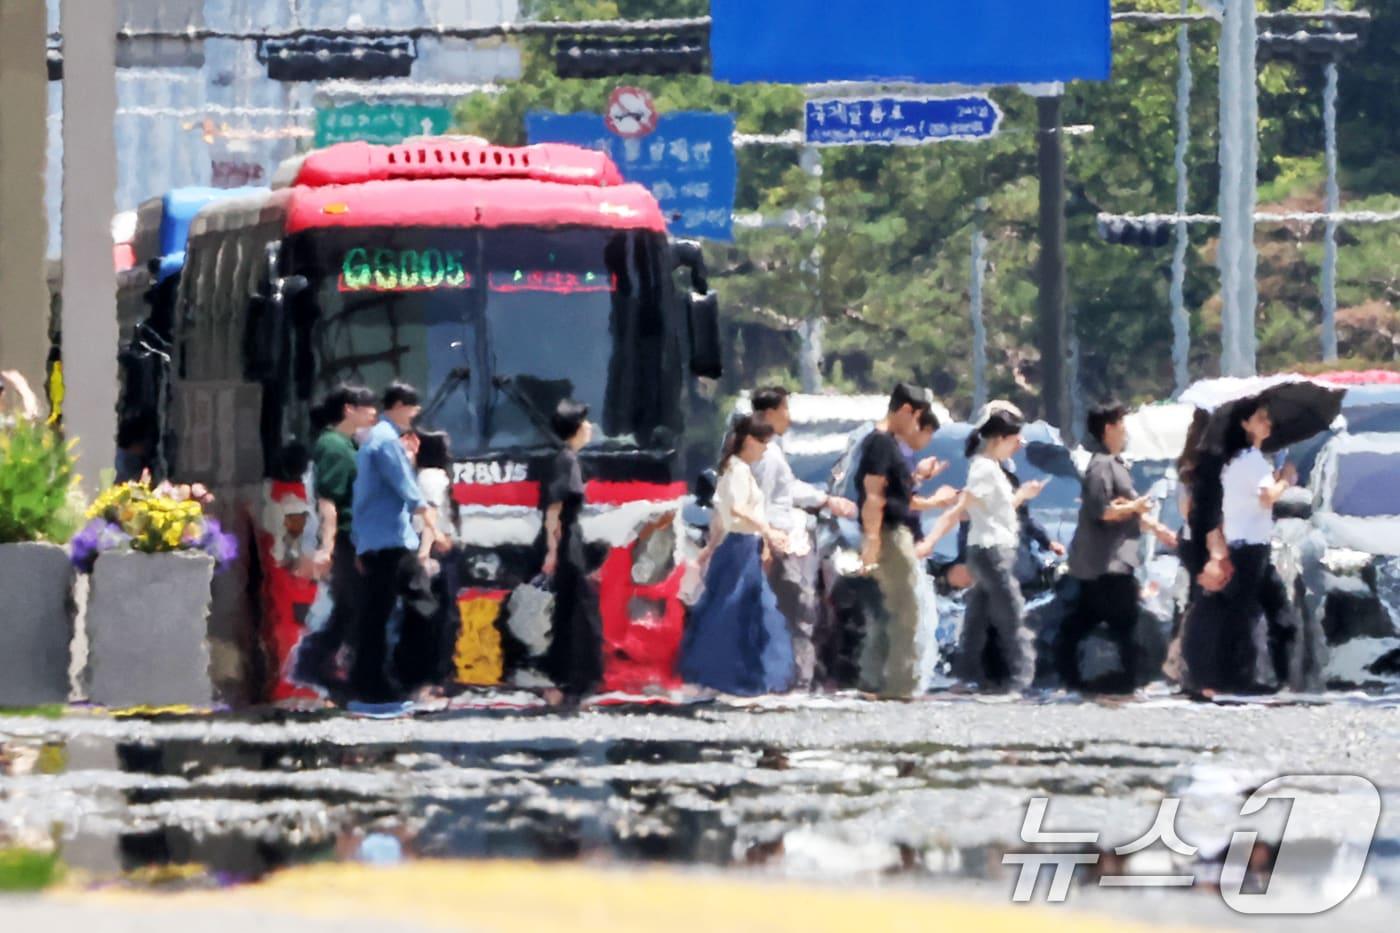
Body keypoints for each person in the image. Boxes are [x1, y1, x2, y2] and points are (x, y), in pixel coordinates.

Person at [1179, 399, 1298, 696]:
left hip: (1248, 546)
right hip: (1249, 549)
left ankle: (1271, 676)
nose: (1267, 424)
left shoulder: (1236, 461)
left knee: (1270, 613)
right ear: (1245, 424)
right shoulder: (1251, 459)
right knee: (1244, 615)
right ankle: (1243, 678)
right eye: (1260, 418)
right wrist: (1285, 479)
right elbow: (1267, 496)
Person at [1057, 402, 1177, 693]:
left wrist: (1159, 530)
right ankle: (1125, 683)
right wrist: (1135, 505)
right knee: (1125, 623)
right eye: (1121, 424)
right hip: (1106, 562)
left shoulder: (1115, 465)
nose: (1125, 431)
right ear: (1108, 428)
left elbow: (1127, 510)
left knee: (1084, 621)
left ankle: (1075, 677)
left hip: (1111, 561)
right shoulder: (1100, 466)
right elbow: (1103, 511)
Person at [855, 384, 963, 699]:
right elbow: (874, 495)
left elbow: (895, 492)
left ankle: (873, 681)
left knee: (890, 611)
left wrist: (917, 479)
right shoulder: (880, 443)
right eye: (916, 417)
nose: (917, 425)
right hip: (891, 533)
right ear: (905, 410)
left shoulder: (886, 446)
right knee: (908, 612)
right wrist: (872, 539)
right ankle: (900, 686)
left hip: (891, 531)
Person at [678, 415, 795, 696]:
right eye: (763, 443)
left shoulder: (732, 468)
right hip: (740, 547)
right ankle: (743, 677)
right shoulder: (738, 470)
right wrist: (768, 530)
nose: (765, 449)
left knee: (740, 610)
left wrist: (709, 549)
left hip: (737, 546)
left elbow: (721, 517)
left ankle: (744, 677)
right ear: (750, 441)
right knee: (739, 611)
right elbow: (739, 510)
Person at [750, 386, 857, 691]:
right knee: (800, 612)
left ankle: (790, 678)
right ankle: (797, 681)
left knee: (790, 612)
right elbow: (766, 502)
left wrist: (825, 500)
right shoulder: (767, 455)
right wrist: (769, 545)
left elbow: (789, 489)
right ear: (770, 413)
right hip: (778, 544)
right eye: (785, 410)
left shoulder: (768, 449)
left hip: (778, 541)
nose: (789, 417)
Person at [349, 382, 439, 708]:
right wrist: (435, 529)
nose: (416, 414)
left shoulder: (376, 439)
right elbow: (408, 489)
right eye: (413, 407)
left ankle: (375, 682)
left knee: (378, 613)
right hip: (390, 541)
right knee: (421, 606)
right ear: (399, 404)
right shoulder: (386, 441)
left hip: (379, 540)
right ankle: (405, 680)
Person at [291, 384, 378, 694]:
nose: (373, 413)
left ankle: (318, 666)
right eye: (367, 406)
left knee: (349, 606)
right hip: (346, 539)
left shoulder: (350, 445)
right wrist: (327, 547)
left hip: (358, 537)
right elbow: (329, 502)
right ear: (348, 410)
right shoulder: (334, 446)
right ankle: (314, 664)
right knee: (353, 606)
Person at [953, 403, 1043, 692]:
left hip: (990, 547)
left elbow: (996, 509)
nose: (1016, 447)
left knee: (977, 619)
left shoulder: (991, 467)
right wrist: (1022, 495)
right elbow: (971, 508)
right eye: (1014, 440)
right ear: (1000, 438)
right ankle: (1022, 679)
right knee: (1013, 615)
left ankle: (967, 674)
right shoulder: (984, 468)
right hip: (992, 549)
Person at [539, 400, 606, 705]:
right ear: (577, 428)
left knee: (573, 610)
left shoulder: (571, 459)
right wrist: (552, 551)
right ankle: (572, 681)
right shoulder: (564, 460)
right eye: (586, 422)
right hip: (566, 541)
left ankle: (569, 680)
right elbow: (553, 510)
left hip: (573, 537)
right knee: (578, 610)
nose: (591, 427)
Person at [395, 429, 461, 699]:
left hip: (429, 551)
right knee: (439, 620)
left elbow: (427, 514)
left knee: (423, 620)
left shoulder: (424, 477)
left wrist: (423, 553)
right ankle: (433, 681)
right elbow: (432, 513)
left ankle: (422, 681)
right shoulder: (434, 476)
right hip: (437, 552)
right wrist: (426, 553)